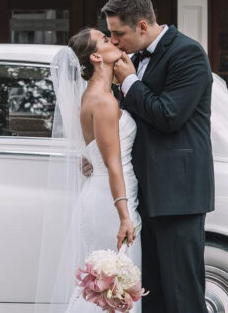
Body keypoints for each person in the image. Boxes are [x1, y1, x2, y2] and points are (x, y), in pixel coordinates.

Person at [101, 0, 215, 313]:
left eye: (118, 33)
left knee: (183, 297)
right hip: (145, 196)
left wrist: (130, 83)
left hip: (178, 197)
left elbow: (168, 116)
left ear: (141, 26)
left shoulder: (188, 53)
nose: (114, 41)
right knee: (152, 298)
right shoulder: (134, 60)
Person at [57, 27, 142, 313]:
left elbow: (96, 153)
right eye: (105, 40)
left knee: (108, 291)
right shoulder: (103, 101)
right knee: (109, 290)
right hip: (111, 204)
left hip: (108, 195)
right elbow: (112, 164)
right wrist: (124, 216)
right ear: (96, 56)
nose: (113, 40)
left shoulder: (96, 95)